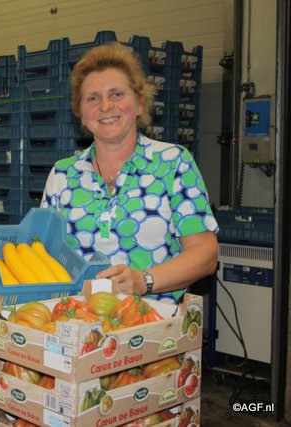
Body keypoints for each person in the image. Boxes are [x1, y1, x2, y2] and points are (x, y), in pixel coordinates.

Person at [41, 42, 218, 302]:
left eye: (116, 94)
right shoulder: (62, 175)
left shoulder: (172, 163)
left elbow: (205, 253)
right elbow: (43, 256)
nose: (105, 106)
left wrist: (144, 280)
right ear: (81, 114)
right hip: (76, 319)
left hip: (152, 321)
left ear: (139, 104)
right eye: (93, 98)